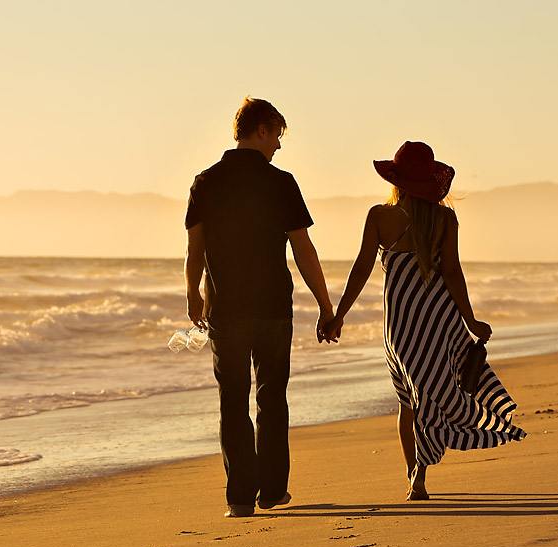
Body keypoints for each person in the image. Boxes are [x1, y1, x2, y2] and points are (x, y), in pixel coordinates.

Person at [322, 141, 526, 500]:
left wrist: (339, 315)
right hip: (441, 320)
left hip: (401, 325)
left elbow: (362, 268)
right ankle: (420, 469)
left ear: (396, 180)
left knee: (409, 399)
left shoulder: (379, 216)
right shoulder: (445, 219)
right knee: (436, 388)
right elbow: (452, 273)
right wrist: (471, 320)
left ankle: (414, 475)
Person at [184, 96, 335, 518]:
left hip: (226, 309)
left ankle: (239, 499)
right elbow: (304, 251)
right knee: (272, 397)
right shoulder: (281, 182)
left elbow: (194, 249)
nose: (279, 146)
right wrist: (326, 306)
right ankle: (270, 492)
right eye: (277, 136)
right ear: (262, 130)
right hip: (271, 308)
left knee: (232, 400)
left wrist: (193, 293)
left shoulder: (205, 181)